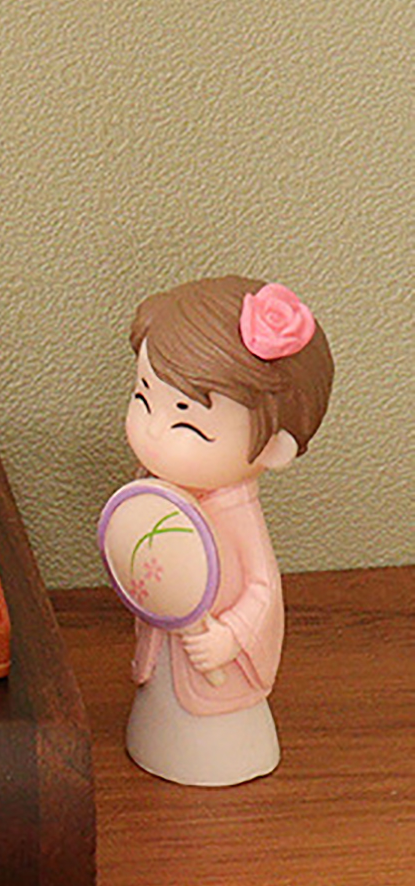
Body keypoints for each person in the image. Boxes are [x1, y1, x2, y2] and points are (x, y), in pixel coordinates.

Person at [122, 276, 334, 785]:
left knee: (211, 717)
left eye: (188, 424)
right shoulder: (154, 491)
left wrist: (231, 637)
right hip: (165, 651)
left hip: (215, 666)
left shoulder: (236, 514)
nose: (152, 429)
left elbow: (263, 588)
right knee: (163, 699)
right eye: (143, 398)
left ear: (275, 447)